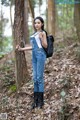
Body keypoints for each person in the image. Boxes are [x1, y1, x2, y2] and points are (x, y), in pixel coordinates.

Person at [16, 16, 47, 109]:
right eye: (35, 23)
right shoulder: (34, 34)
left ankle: (41, 102)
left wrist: (41, 38)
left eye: (38, 23)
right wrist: (22, 49)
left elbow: (45, 46)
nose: (36, 24)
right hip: (34, 56)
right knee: (35, 78)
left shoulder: (43, 33)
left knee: (39, 78)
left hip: (40, 55)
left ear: (42, 24)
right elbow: (33, 47)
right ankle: (35, 100)